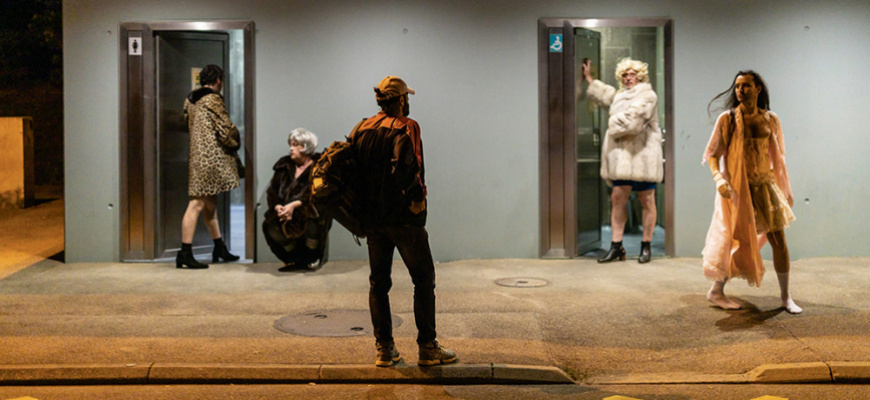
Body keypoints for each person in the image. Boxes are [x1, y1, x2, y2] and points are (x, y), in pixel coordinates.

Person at [350, 76, 456, 367]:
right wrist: (416, 199)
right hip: (404, 221)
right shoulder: (406, 127)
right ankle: (428, 348)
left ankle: (385, 349)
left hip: (373, 221)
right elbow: (408, 167)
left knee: (379, 284)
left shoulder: (361, 127)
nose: (408, 101)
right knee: (423, 280)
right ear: (399, 100)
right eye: (406, 97)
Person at [701, 70, 801, 314]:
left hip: (765, 185)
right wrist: (718, 179)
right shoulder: (728, 119)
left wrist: (783, 188)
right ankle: (716, 291)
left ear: (758, 89)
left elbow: (779, 157)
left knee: (779, 241)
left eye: (746, 85)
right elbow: (712, 153)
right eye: (737, 86)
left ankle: (786, 296)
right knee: (733, 238)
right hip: (737, 189)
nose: (740, 90)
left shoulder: (770, 119)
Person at [580, 58, 664, 263]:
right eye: (625, 75)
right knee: (617, 199)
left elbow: (633, 123)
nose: (628, 78)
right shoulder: (621, 96)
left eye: (632, 75)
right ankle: (617, 247)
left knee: (646, 200)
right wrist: (590, 80)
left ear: (640, 76)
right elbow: (608, 95)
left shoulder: (648, 95)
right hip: (621, 160)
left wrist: (611, 122)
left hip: (642, 156)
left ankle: (646, 246)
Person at [176, 64, 240, 269]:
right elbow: (224, 129)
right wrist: (235, 140)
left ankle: (218, 246)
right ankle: (184, 253)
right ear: (218, 80)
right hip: (210, 160)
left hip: (197, 157)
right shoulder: (213, 99)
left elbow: (186, 124)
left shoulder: (191, 100)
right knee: (196, 204)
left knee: (210, 203)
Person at [263, 128, 331, 271]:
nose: (291, 149)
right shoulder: (283, 167)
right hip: (284, 212)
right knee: (271, 225)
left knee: (314, 219)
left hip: (309, 211)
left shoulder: (319, 167)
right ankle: (294, 258)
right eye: (290, 145)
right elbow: (272, 192)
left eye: (295, 145)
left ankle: (312, 256)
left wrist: (294, 205)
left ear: (306, 146)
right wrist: (278, 208)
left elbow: (320, 194)